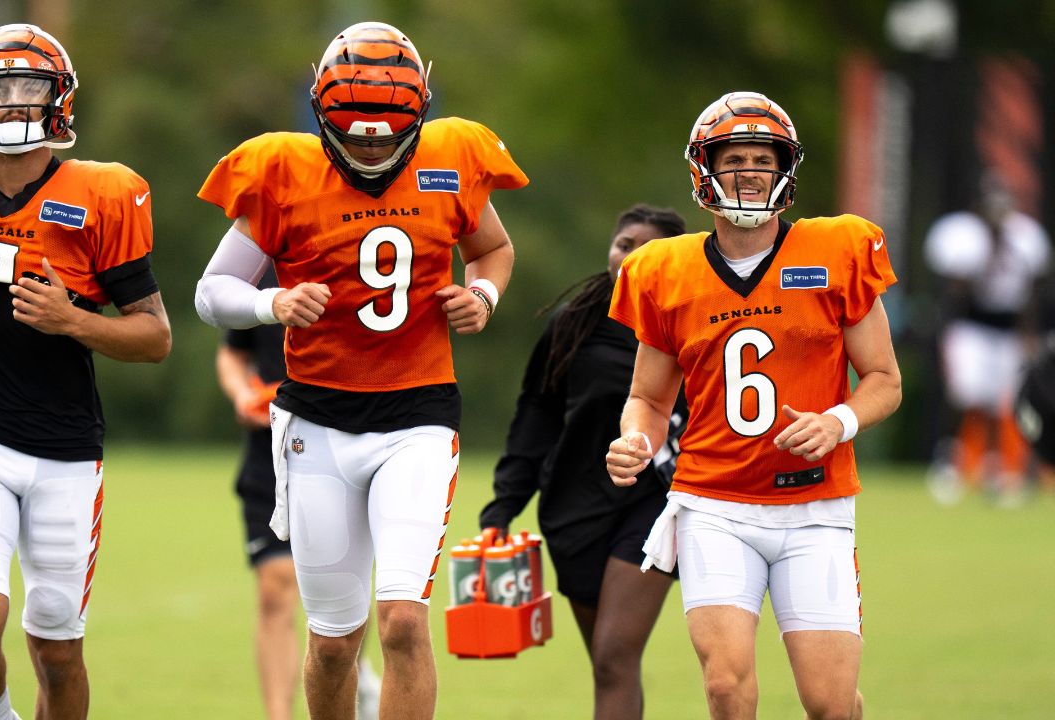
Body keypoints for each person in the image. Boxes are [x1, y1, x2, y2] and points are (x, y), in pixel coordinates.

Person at [194, 21, 526, 719]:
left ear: (419, 113)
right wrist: (272, 302)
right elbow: (211, 291)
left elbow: (493, 250)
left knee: (403, 620)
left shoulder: (452, 159)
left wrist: (483, 296)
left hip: (418, 416)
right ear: (322, 114)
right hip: (318, 419)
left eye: (386, 132)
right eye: (356, 132)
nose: (372, 146)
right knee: (333, 643)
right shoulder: (282, 171)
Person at [0, 24, 171, 720]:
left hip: (64, 448)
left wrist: (72, 320)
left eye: (29, 88)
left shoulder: (103, 195)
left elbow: (155, 336)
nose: (14, 102)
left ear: (59, 100)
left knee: (57, 651)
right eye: (0, 89)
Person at [605, 91, 902, 720]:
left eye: (762, 160)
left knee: (829, 703)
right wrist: (636, 439)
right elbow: (648, 398)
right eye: (734, 159)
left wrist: (838, 421)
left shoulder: (837, 250)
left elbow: (883, 379)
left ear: (784, 169)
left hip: (814, 504)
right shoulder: (664, 270)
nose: (749, 172)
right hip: (713, 502)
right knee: (725, 686)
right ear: (705, 170)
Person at [479, 204, 687, 719]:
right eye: (623, 245)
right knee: (607, 663)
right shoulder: (574, 322)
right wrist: (504, 504)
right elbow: (537, 414)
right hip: (573, 508)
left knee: (615, 655)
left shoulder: (692, 321)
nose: (630, 256)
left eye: (646, 248)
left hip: (654, 501)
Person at [215, 269, 381, 720]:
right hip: (270, 453)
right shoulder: (262, 270)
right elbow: (233, 352)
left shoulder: (360, 260)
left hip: (347, 443)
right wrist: (242, 394)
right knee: (275, 588)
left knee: (346, 589)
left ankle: (351, 671)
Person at [923, 174, 1051, 506]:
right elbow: (956, 293)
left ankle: (996, 467)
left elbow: (1032, 292)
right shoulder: (963, 236)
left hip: (1009, 329)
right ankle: (950, 459)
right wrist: (988, 251)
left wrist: (1030, 334)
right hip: (971, 327)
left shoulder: (1025, 237)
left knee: (1002, 400)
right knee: (965, 394)